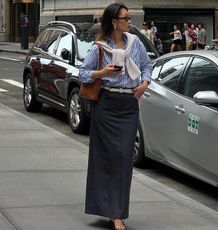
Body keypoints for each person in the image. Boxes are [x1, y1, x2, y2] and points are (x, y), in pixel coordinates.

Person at [79, 3, 152, 230]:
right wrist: (103, 73)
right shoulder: (99, 47)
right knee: (104, 160)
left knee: (123, 159)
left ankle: (117, 211)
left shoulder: (135, 43)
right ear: (114, 22)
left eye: (129, 18)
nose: (130, 21)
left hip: (129, 105)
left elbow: (147, 66)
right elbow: (82, 73)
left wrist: (143, 84)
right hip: (107, 104)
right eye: (125, 18)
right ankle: (111, 213)